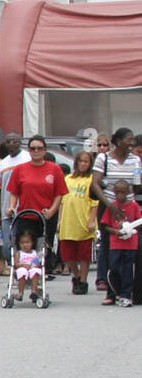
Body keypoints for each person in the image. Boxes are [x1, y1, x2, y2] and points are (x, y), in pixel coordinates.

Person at [5, 135, 67, 278]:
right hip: (26, 215)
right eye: (33, 148)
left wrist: (52, 211)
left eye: (39, 148)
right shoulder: (20, 169)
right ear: (29, 150)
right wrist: (12, 207)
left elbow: (60, 193)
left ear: (45, 150)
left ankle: (39, 275)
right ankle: (24, 274)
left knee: (43, 248)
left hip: (46, 216)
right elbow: (14, 192)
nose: (36, 151)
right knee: (26, 248)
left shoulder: (55, 169)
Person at [90, 128, 140, 293]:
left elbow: (137, 186)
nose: (132, 142)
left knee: (131, 247)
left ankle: (128, 288)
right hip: (109, 206)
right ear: (118, 141)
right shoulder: (103, 158)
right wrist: (110, 205)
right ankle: (109, 287)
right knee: (108, 247)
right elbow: (95, 184)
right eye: (129, 139)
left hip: (129, 208)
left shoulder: (135, 160)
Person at [60, 150, 97, 294]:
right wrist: (60, 219)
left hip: (84, 220)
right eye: (80, 161)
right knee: (68, 255)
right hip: (68, 221)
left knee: (84, 255)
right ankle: (76, 276)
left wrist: (92, 221)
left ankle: (83, 280)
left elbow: (95, 202)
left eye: (86, 161)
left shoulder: (91, 180)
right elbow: (62, 200)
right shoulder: (68, 179)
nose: (83, 164)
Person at [100, 179, 141, 307]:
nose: (120, 195)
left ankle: (126, 295)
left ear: (128, 192)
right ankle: (115, 292)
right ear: (114, 192)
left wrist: (130, 230)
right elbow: (105, 226)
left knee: (128, 270)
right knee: (114, 268)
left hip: (130, 244)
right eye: (117, 192)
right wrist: (116, 232)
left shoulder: (133, 206)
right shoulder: (112, 206)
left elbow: (139, 222)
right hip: (115, 244)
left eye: (123, 192)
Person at [0, 132, 30, 276]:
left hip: (24, 208)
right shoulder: (3, 163)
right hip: (6, 210)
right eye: (9, 142)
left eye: (15, 141)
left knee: (24, 243)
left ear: (20, 142)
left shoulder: (27, 158)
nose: (12, 144)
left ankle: (23, 274)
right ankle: (16, 267)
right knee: (7, 245)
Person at [11, 231, 44, 302]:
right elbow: (16, 264)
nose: (25, 245)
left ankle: (34, 292)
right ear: (19, 244)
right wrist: (23, 265)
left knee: (35, 270)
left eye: (27, 242)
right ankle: (20, 293)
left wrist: (35, 265)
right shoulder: (19, 253)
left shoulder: (35, 253)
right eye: (22, 243)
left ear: (32, 243)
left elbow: (38, 264)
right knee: (22, 271)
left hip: (32, 269)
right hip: (22, 270)